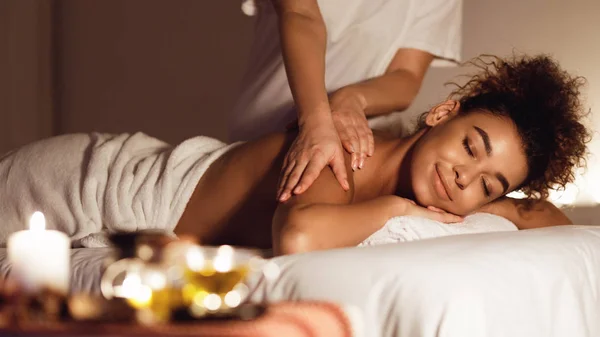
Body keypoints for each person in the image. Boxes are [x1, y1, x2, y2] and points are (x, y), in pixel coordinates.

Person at [0, 55, 589, 256]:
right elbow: (300, 237)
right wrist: (395, 211)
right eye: (471, 147)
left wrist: (508, 207)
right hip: (91, 181)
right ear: (443, 112)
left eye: (487, 184)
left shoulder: (444, 192)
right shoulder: (346, 150)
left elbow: (559, 227)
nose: (465, 178)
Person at [230, 0, 462, 202]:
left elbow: (407, 75)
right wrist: (317, 122)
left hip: (351, 146)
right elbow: (300, 14)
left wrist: (350, 99)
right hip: (267, 128)